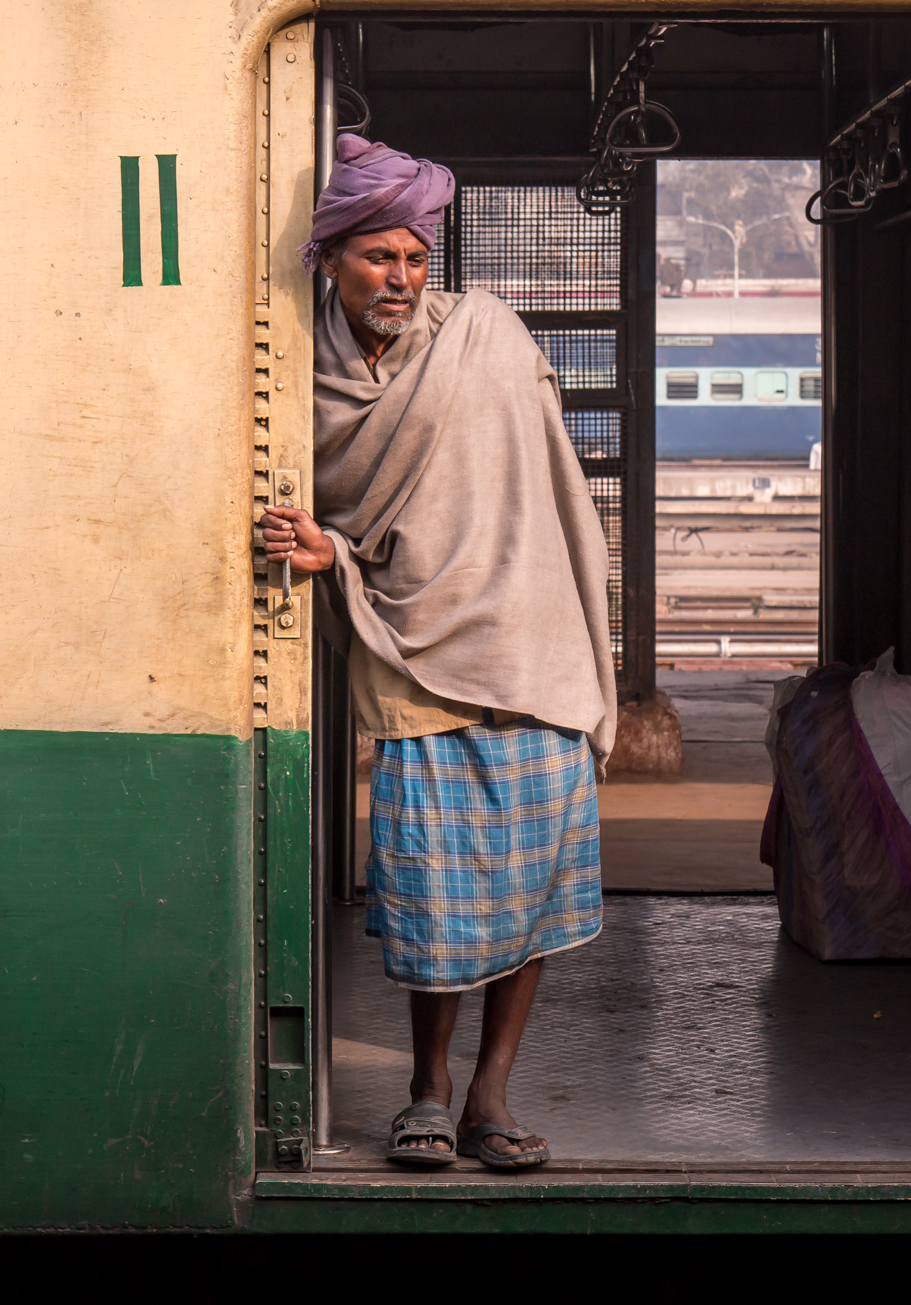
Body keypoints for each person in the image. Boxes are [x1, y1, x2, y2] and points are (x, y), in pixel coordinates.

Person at [261, 135, 616, 1171]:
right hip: (406, 654)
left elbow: (543, 489)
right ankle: (426, 1087)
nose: (401, 279)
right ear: (329, 258)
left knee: (533, 890)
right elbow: (329, 505)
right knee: (431, 892)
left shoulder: (486, 335)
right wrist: (332, 550)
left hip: (528, 647)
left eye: (415, 259)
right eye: (378, 258)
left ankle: (490, 1096)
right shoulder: (296, 375)